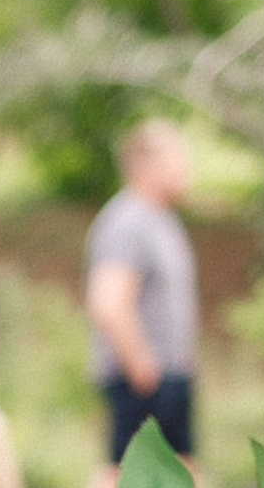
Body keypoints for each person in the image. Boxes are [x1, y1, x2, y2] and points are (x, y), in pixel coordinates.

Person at [83, 119, 200, 466]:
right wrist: (143, 369)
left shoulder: (161, 220)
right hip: (145, 380)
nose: (186, 170)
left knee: (180, 478)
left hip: (171, 375)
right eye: (178, 161)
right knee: (124, 479)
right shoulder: (127, 221)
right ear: (146, 165)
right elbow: (107, 302)